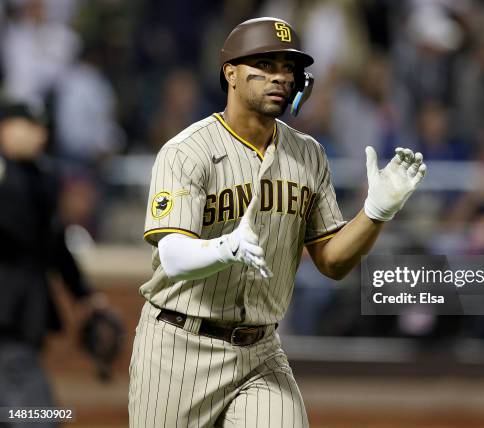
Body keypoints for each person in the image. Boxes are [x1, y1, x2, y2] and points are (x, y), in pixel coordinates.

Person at [128, 17, 427, 428]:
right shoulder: (186, 152)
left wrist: (375, 214)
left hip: (261, 351)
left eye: (288, 68)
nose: (281, 77)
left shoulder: (308, 155)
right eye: (266, 65)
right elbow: (173, 256)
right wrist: (224, 248)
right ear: (230, 73)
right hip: (179, 346)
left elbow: (332, 262)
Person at [0, 101, 108, 426]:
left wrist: (82, 293)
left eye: (43, 129)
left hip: (19, 317)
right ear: (6, 128)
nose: (40, 135)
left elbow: (53, 243)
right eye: (31, 126)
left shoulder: (41, 177)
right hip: (7, 322)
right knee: (38, 416)